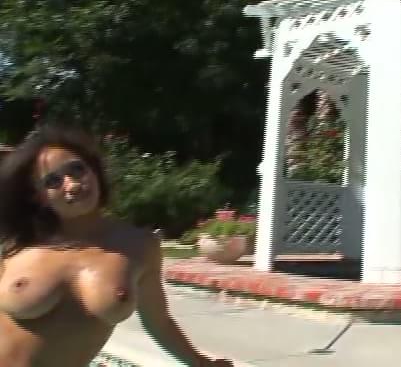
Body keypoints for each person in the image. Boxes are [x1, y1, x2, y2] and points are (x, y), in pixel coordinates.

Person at [0, 127, 233, 366]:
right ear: (38, 196)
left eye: (77, 169)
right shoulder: (17, 245)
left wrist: (201, 363)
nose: (72, 185)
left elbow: (159, 323)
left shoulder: (138, 246)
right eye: (53, 181)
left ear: (94, 170)